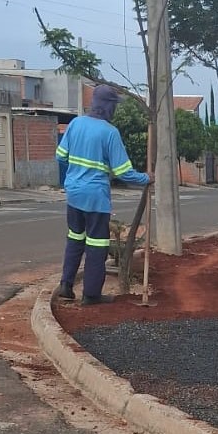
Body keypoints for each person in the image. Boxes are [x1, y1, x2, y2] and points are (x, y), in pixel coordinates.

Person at [54, 85, 153, 306]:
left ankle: (66, 285)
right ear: (108, 106)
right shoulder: (110, 132)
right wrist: (146, 178)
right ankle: (91, 295)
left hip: (74, 194)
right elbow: (123, 172)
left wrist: (76, 172)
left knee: (75, 238)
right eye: (114, 105)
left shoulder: (76, 124)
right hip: (96, 199)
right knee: (97, 245)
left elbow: (60, 156)